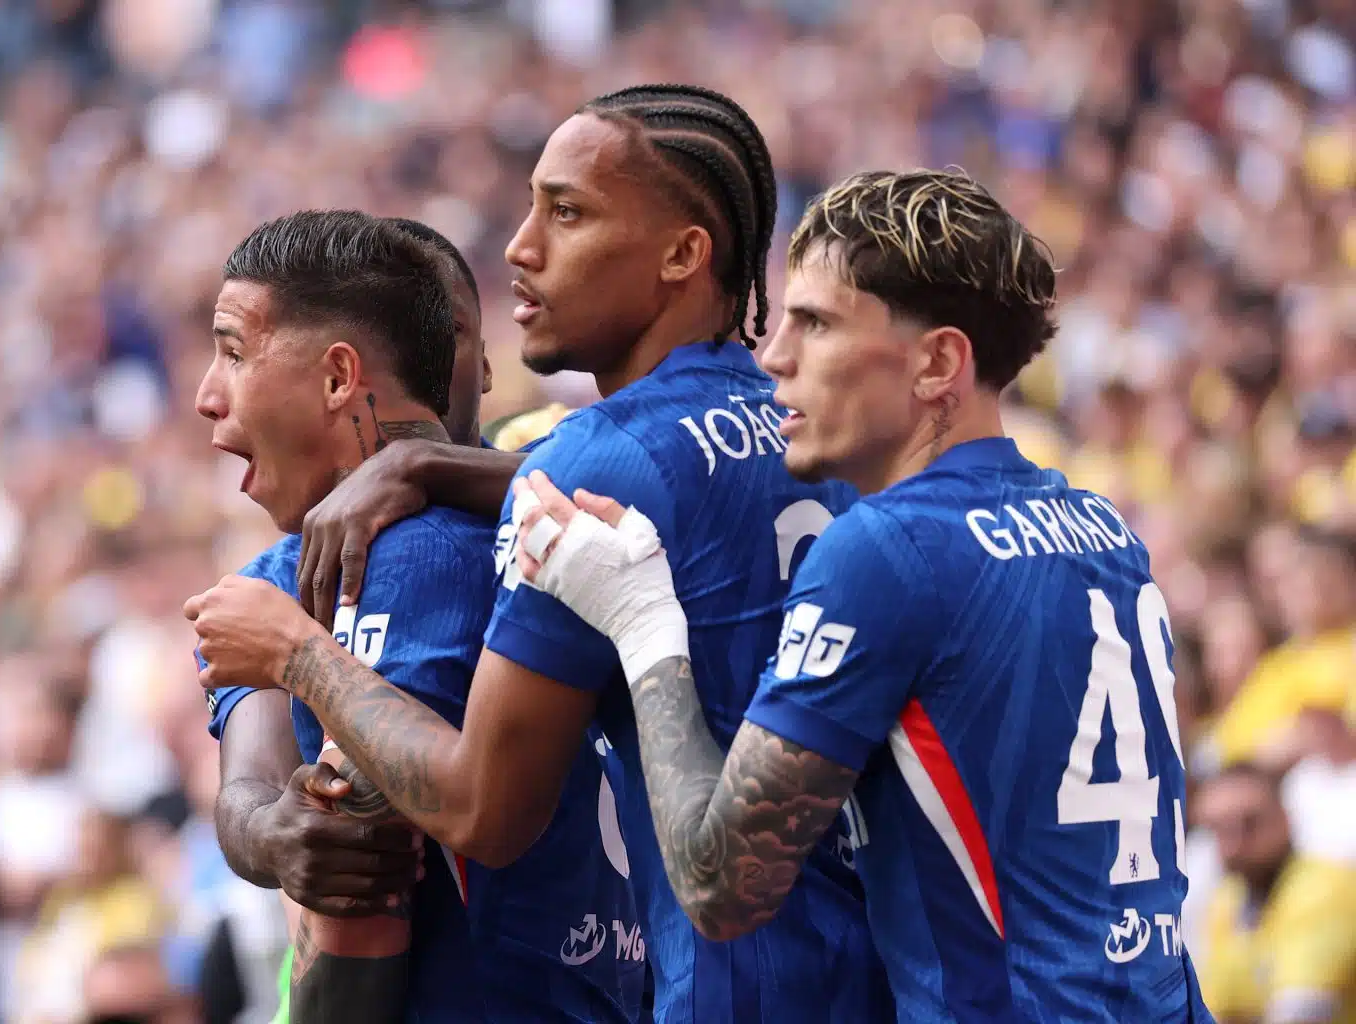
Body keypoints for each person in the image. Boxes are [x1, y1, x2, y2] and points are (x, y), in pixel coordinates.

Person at [187, 85, 890, 1023]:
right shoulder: (821, 440)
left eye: (567, 213)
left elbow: (484, 811)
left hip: (736, 980)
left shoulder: (575, 469)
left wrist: (295, 652)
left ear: (683, 254)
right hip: (876, 968)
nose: (521, 247)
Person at [509, 168, 1218, 1020]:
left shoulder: (887, 548)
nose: (774, 356)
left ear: (937, 362)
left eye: (816, 324)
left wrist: (641, 619)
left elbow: (718, 886)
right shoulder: (1104, 528)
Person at [193, 209, 643, 1022]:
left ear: (341, 376)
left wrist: (300, 659)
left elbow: (358, 917)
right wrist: (273, 832)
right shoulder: (275, 583)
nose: (205, 397)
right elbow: (249, 790)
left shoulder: (409, 558)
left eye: (232, 351)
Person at [1193, 763, 1356, 1024]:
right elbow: (1215, 1011)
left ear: (1285, 818)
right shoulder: (1228, 900)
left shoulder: (1325, 889)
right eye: (1219, 828)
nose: (1234, 844)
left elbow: (1300, 1015)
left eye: (1250, 823)